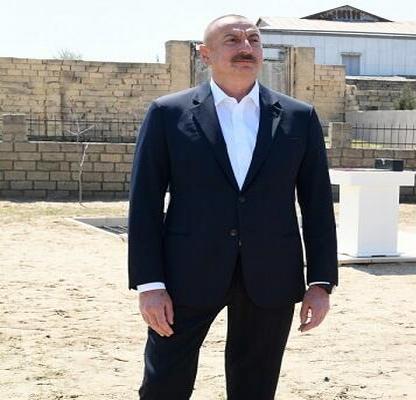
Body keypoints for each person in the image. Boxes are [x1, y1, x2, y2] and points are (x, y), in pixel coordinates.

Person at [128, 14, 338, 400]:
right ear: (205, 54)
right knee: (164, 384)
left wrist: (321, 282)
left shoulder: (299, 117)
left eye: (253, 40)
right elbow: (144, 203)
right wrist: (150, 284)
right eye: (232, 40)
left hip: (271, 274)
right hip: (185, 273)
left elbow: (318, 205)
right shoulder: (168, 114)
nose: (246, 48)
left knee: (255, 387)